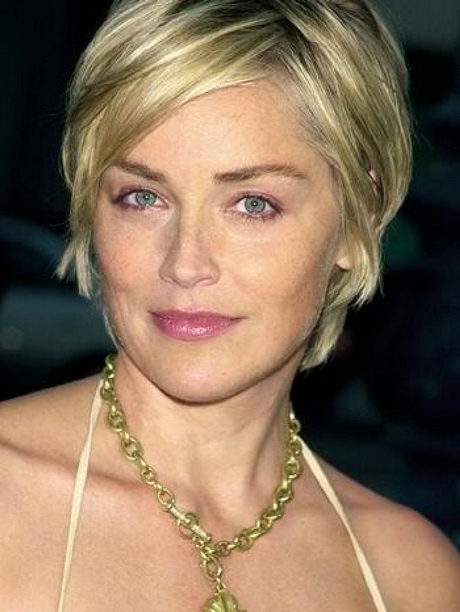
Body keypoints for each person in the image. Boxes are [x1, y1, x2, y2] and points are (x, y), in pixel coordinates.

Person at [1, 1, 459, 610]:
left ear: (358, 220)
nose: (185, 263)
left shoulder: (413, 578)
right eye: (142, 197)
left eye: (252, 204)